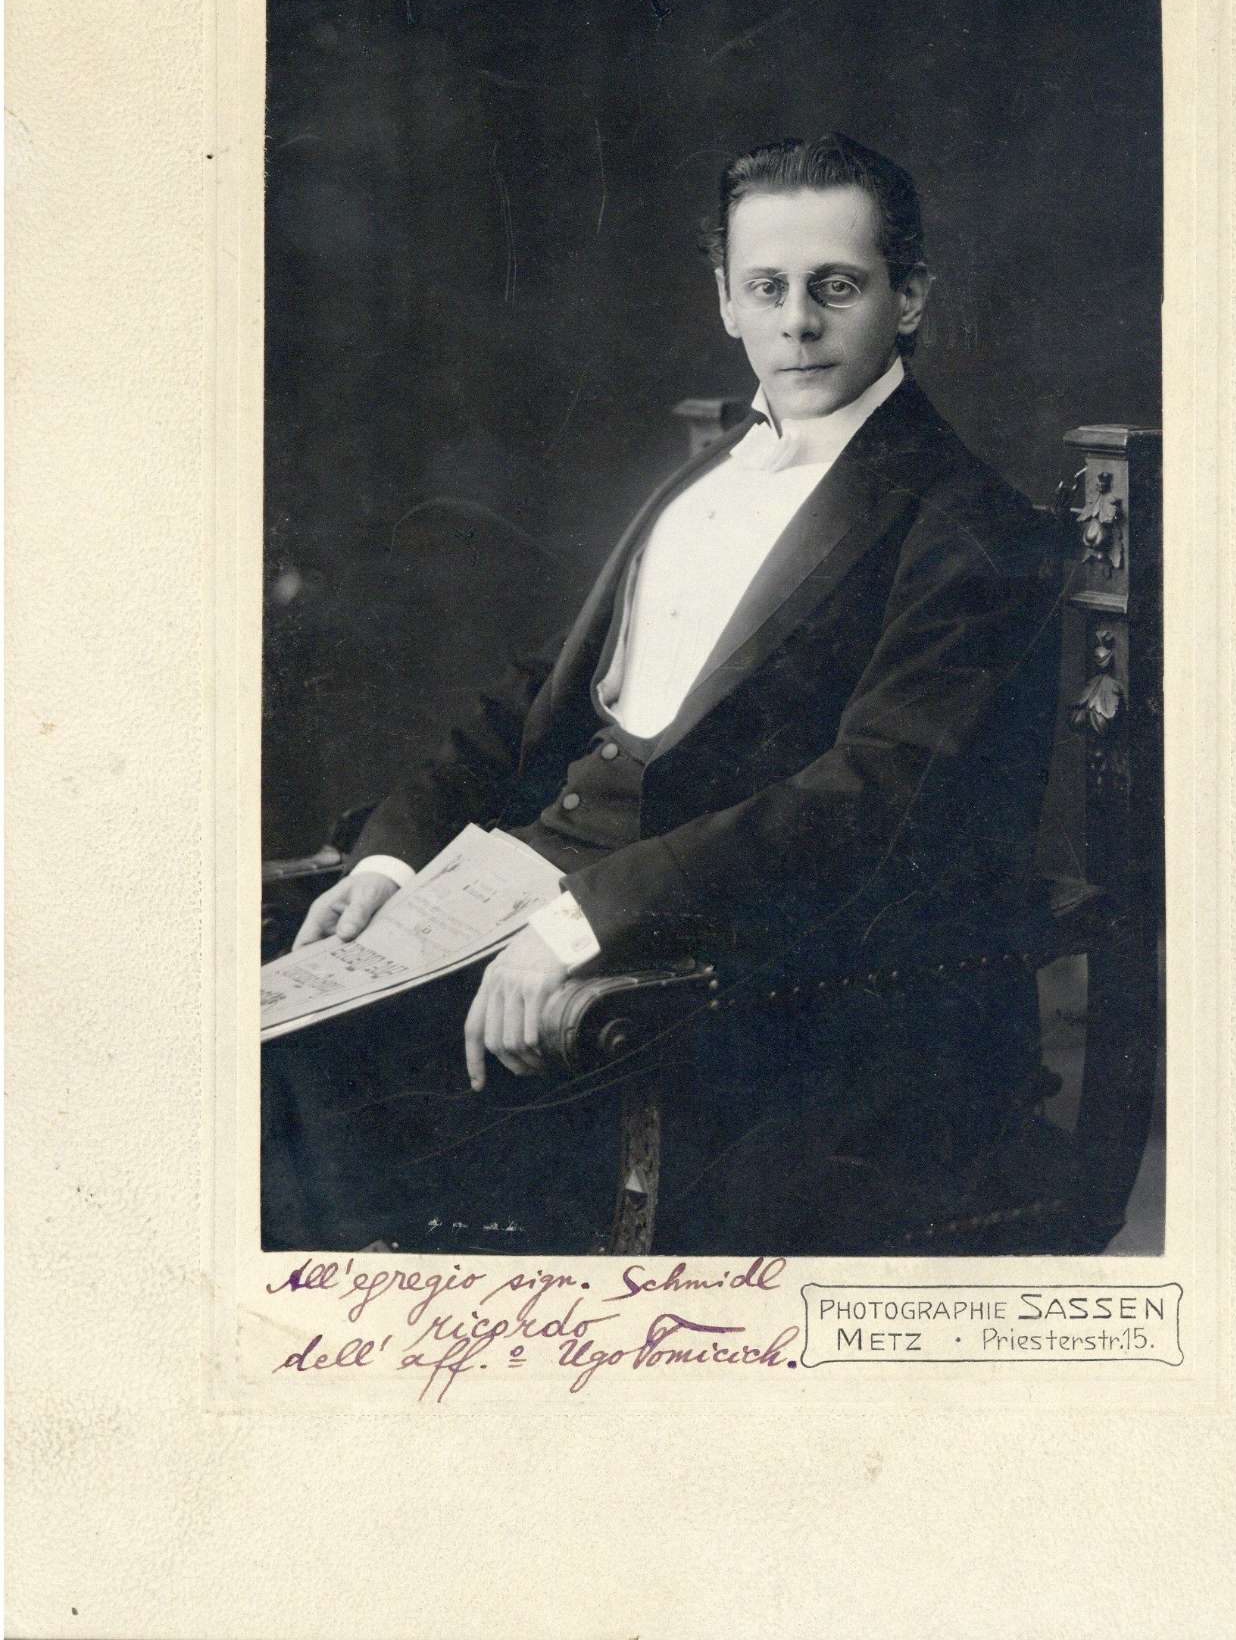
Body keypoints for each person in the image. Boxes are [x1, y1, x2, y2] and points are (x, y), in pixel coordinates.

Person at [266, 133, 1058, 1255]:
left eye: (836, 286)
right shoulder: (705, 474)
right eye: (766, 287)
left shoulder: (969, 525)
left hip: (731, 973)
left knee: (310, 1071)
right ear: (726, 300)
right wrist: (390, 860)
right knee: (249, 1013)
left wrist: (581, 924)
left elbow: (877, 797)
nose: (797, 322)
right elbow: (540, 695)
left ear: (912, 296)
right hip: (527, 882)